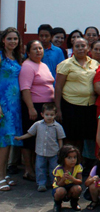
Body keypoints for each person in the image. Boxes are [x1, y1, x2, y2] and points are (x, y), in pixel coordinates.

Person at [19, 39, 55, 182]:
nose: (38, 51)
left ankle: (37, 167)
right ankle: (28, 169)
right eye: (34, 49)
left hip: (46, 107)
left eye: (40, 48)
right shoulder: (27, 66)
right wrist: (31, 108)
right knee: (30, 138)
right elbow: (25, 88)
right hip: (34, 106)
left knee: (41, 139)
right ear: (28, 52)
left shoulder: (44, 65)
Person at [56, 37, 99, 152]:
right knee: (70, 137)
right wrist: (58, 109)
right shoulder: (65, 64)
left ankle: (79, 165)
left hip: (90, 106)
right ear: (72, 49)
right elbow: (58, 87)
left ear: (88, 48)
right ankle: (67, 163)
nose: (80, 49)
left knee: (84, 137)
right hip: (71, 105)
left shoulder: (95, 64)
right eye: (77, 46)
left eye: (83, 46)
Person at [13, 103, 65, 191]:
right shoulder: (38, 124)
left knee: (54, 168)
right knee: (40, 168)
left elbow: (60, 139)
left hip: (53, 152)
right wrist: (21, 137)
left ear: (55, 115)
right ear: (42, 114)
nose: (49, 117)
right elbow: (30, 133)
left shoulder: (57, 126)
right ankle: (41, 183)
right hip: (40, 152)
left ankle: (55, 183)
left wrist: (61, 150)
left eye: (51, 115)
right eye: (47, 115)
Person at [0, 27, 23, 191]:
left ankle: (4, 173)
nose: (13, 42)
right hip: (3, 103)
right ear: (3, 40)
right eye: (10, 39)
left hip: (14, 103)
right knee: (3, 142)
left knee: (9, 140)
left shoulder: (16, 56)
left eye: (15, 39)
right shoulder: (0, 56)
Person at [52, 145, 83, 212]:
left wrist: (72, 179)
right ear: (63, 158)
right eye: (69, 158)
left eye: (75, 157)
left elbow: (80, 181)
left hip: (71, 186)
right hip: (60, 187)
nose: (73, 160)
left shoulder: (78, 167)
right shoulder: (58, 169)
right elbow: (59, 184)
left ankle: (74, 202)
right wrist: (63, 178)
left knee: (78, 188)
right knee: (60, 191)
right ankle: (57, 204)